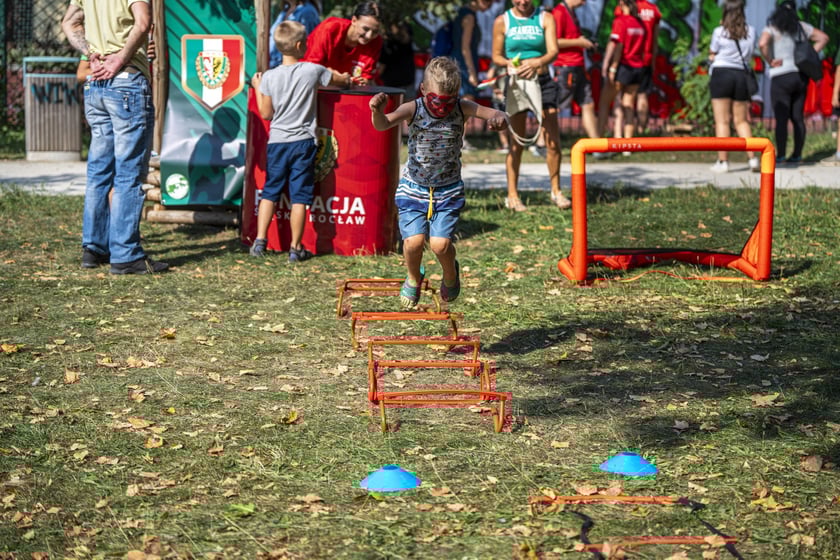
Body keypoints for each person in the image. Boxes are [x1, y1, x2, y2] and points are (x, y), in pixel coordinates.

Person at [368, 56, 507, 309]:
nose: (443, 107)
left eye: (448, 101)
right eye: (436, 100)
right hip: (414, 187)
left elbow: (497, 113)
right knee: (413, 242)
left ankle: (450, 274)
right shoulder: (414, 108)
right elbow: (383, 124)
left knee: (440, 245)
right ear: (423, 90)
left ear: (457, 95)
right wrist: (377, 111)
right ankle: (413, 276)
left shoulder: (462, 107)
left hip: (448, 190)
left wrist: (499, 119)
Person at [62, 0, 167, 274]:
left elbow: (69, 23)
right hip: (126, 83)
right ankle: (125, 255)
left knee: (99, 172)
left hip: (96, 86)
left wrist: (90, 52)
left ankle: (94, 248)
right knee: (128, 173)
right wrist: (121, 57)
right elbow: (143, 23)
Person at [249, 21, 343, 262]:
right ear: (300, 45)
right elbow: (339, 80)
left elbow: (266, 113)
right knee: (299, 196)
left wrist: (258, 87)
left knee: (270, 191)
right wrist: (347, 78)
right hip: (303, 142)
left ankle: (260, 241)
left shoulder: (269, 77)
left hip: (277, 142)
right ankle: (295, 248)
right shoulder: (313, 70)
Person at [492, 0, 567, 211]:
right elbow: (496, 56)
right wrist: (507, 63)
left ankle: (556, 191)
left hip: (543, 81)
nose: (523, 2)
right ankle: (512, 195)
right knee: (517, 142)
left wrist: (537, 62)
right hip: (517, 83)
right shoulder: (502, 21)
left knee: (553, 140)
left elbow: (553, 51)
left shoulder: (546, 18)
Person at [758, 0, 829, 164]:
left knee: (781, 118)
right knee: (797, 117)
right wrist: (810, 53)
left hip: (780, 76)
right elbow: (824, 38)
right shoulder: (801, 27)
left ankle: (781, 155)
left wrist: (770, 60)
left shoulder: (772, 27)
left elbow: (762, 43)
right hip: (800, 75)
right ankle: (797, 155)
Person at [707, 0, 759, 174]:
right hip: (741, 76)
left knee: (722, 121)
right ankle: (752, 159)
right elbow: (750, 55)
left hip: (721, 74)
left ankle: (723, 162)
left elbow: (712, 54)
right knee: (741, 121)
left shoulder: (719, 32)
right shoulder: (751, 31)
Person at [301, 1, 382, 87]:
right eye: (365, 29)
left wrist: (363, 81)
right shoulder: (329, 29)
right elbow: (311, 70)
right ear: (354, 20)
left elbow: (367, 78)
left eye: (375, 32)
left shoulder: (376, 41)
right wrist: (338, 79)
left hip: (350, 90)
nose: (369, 36)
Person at [600, 0, 646, 151]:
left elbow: (618, 45)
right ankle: (627, 144)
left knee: (605, 102)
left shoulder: (620, 22)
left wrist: (612, 67)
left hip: (623, 66)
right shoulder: (640, 23)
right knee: (628, 105)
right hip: (637, 67)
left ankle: (599, 140)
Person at [552, 0, 600, 141]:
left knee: (588, 103)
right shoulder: (559, 12)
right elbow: (554, 41)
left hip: (578, 65)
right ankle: (541, 143)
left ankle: (596, 145)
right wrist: (579, 42)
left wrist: (586, 43)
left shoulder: (571, 12)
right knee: (555, 107)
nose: (584, 2)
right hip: (565, 67)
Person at [451, 0, 495, 151]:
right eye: (487, 1)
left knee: (462, 103)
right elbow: (465, 47)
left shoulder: (463, 13)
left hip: (461, 61)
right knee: (467, 101)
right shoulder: (469, 16)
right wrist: (471, 72)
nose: (490, 4)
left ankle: (458, 138)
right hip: (464, 63)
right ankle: (459, 140)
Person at [268, 0, 320, 69]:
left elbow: (310, 46)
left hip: (292, 70)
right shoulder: (285, 10)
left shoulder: (307, 12)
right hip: (275, 67)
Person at [379, 20, 416, 102]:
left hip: (404, 83)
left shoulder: (404, 39)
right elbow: (382, 65)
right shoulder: (388, 44)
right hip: (393, 84)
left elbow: (381, 66)